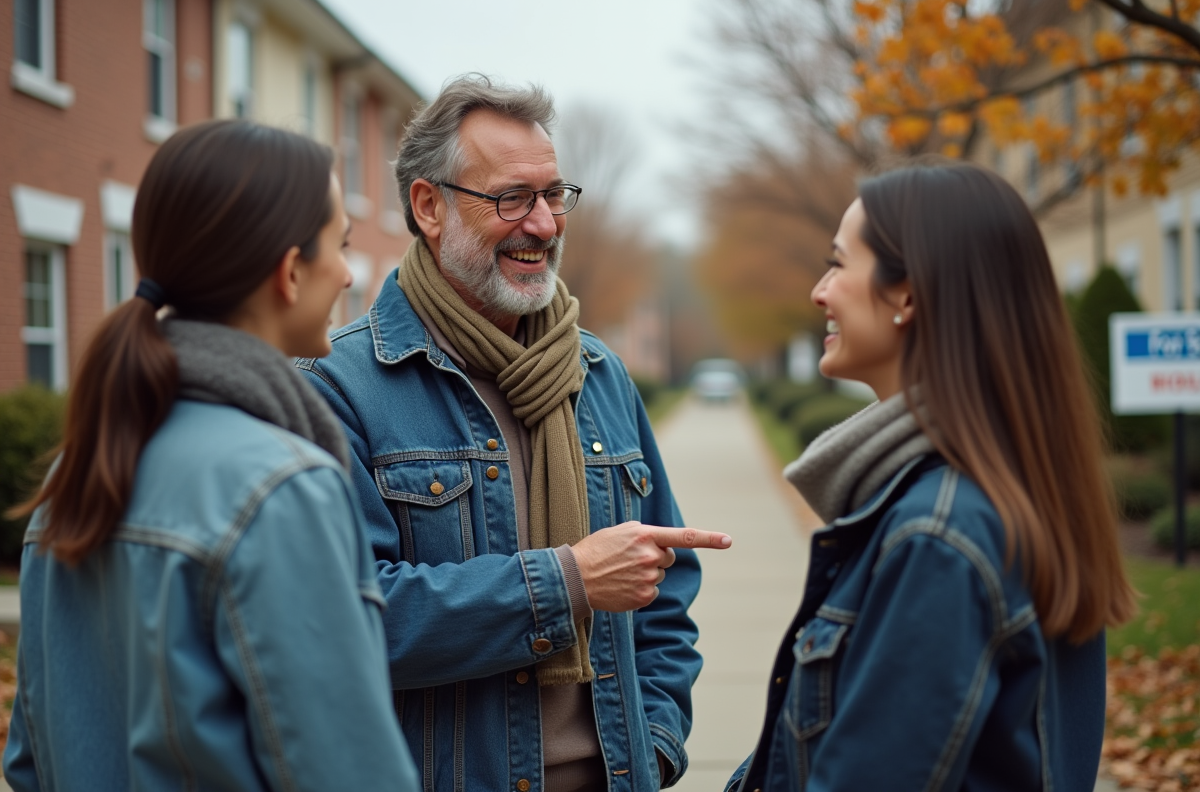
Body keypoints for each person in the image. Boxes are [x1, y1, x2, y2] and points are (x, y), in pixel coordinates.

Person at [297, 74, 731, 792]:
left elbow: (666, 600)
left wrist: (655, 743)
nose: (544, 225)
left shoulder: (599, 375)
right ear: (429, 206)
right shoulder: (337, 388)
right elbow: (346, 618)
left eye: (553, 195)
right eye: (511, 199)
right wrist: (567, 583)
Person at [3, 120, 419, 792]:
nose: (348, 274)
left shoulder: (76, 472)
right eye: (340, 245)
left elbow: (31, 760)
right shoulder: (282, 488)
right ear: (289, 271)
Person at [728, 160, 1137, 792]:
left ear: (909, 296)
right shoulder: (1008, 488)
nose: (819, 292)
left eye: (839, 264)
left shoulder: (938, 534)